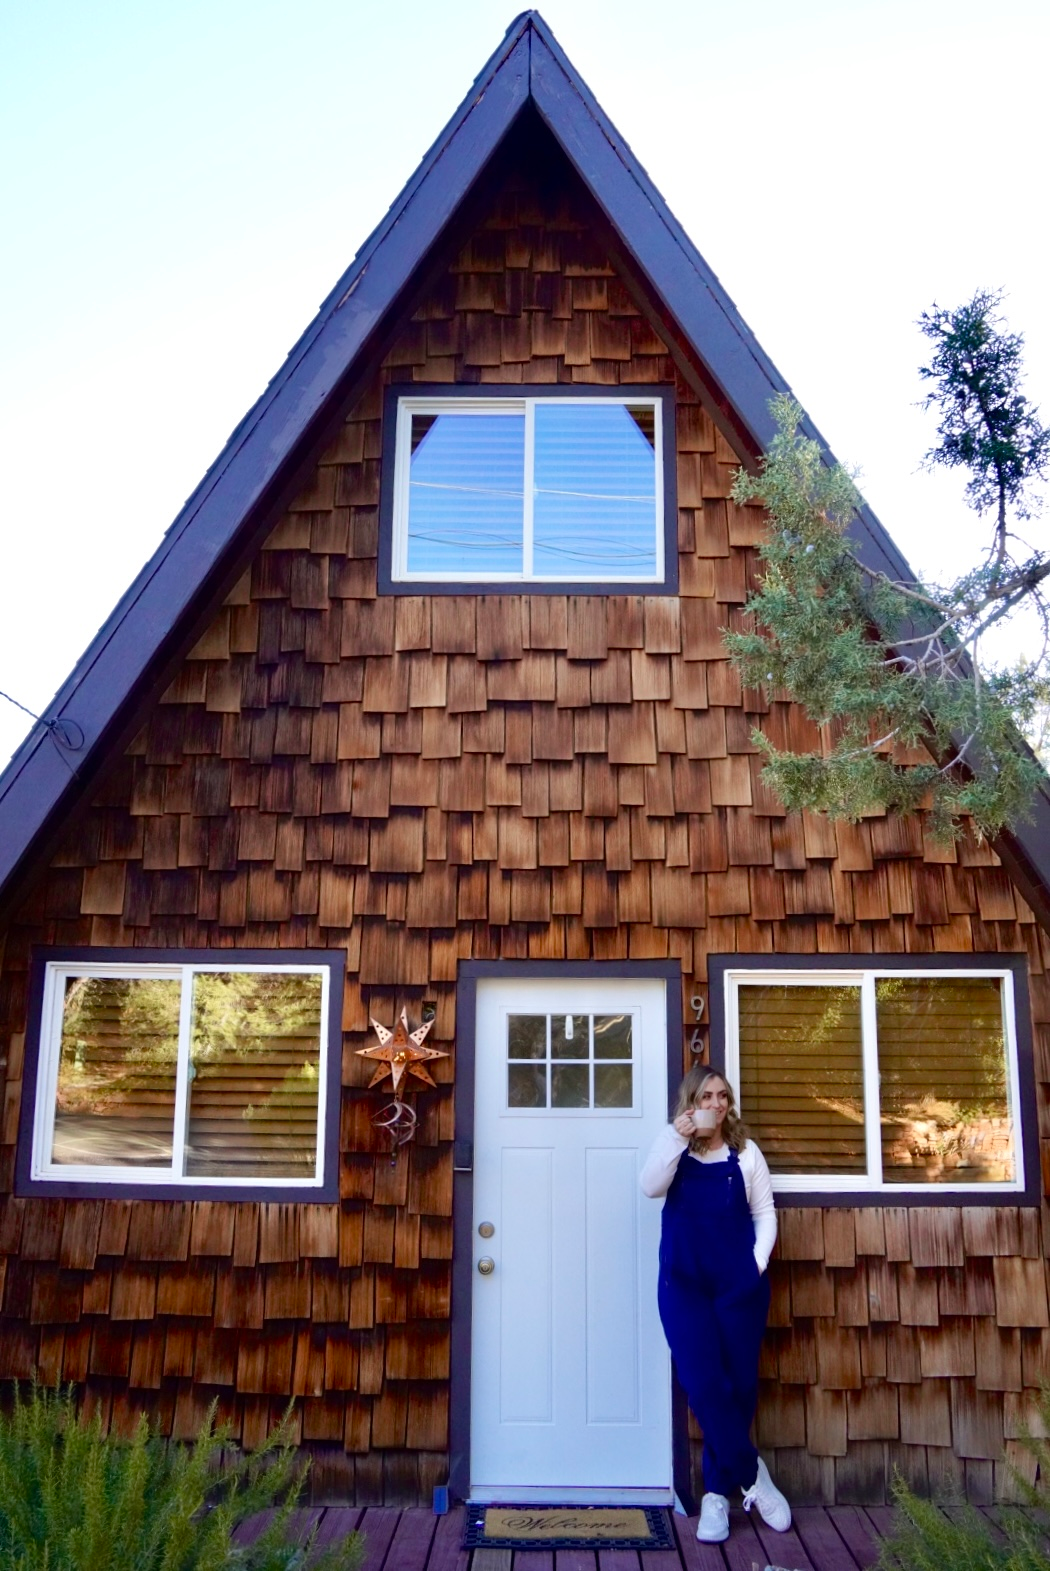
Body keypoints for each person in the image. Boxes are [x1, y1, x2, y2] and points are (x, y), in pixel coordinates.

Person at [640, 1065, 791, 1545]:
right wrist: (674, 1137)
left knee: (738, 1386)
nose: (717, 1104)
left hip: (738, 1287)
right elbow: (648, 1186)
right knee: (702, 1383)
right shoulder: (675, 1149)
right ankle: (753, 1476)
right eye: (707, 1096)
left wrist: (756, 1264)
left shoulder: (745, 1153)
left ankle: (715, 1497)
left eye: (723, 1096)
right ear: (692, 1102)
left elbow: (765, 1213)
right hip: (683, 1286)